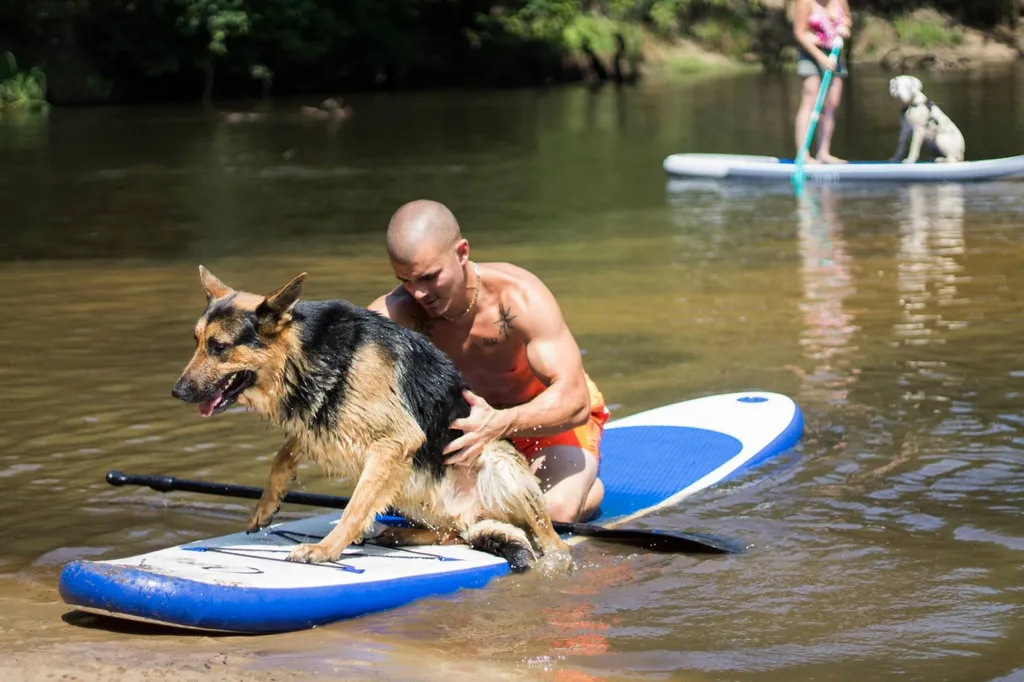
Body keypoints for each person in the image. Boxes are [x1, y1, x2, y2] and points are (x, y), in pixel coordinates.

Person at [367, 200, 609, 524]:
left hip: (545, 422)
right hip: (465, 435)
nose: (418, 294)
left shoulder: (518, 297)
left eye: (429, 277)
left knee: (552, 513)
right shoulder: (392, 315)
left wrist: (499, 423)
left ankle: (586, 490)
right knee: (417, 511)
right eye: (406, 280)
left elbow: (575, 401)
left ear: (462, 252)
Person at [792, 0, 852, 164]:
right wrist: (821, 58)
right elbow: (799, 33)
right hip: (811, 54)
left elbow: (847, 18)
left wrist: (844, 27)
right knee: (810, 100)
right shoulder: (805, 2)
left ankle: (823, 153)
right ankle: (803, 154)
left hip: (834, 54)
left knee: (832, 103)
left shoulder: (840, 1)